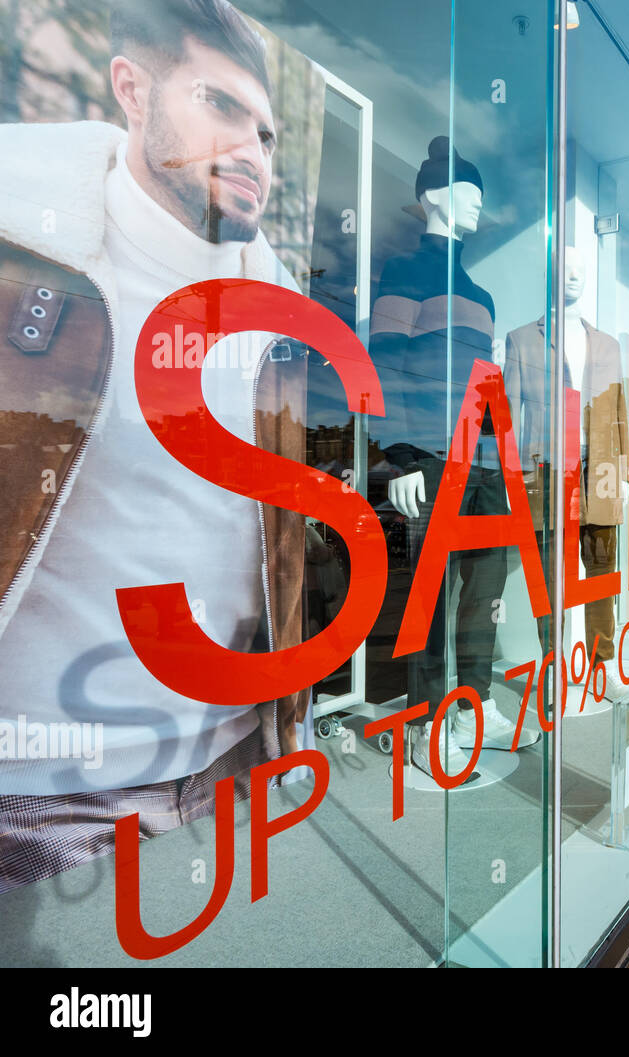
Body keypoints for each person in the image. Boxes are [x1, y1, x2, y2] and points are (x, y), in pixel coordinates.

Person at [0, 0, 308, 893]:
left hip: (231, 772)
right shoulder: (25, 256)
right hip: (43, 803)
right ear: (131, 92)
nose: (252, 148)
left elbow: (268, 541)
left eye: (267, 131)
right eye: (220, 105)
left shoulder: (276, 315)